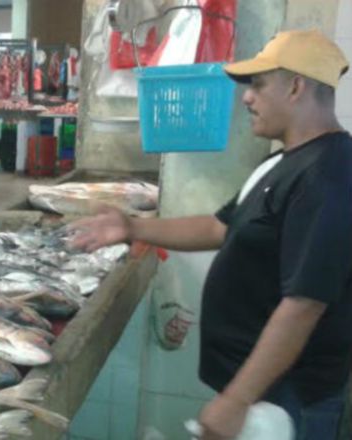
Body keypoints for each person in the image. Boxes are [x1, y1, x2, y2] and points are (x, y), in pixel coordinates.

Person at [69, 30, 350, 440]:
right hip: (258, 393)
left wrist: (238, 399)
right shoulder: (281, 163)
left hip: (288, 401)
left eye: (257, 85)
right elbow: (219, 226)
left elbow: (303, 306)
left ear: (295, 86)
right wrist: (131, 227)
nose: (246, 98)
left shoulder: (329, 174)